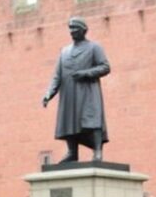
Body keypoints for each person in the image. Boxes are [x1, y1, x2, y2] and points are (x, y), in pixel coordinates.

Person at [42, 17, 110, 163]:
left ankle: (98, 151)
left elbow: (105, 67)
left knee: (92, 120)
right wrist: (49, 93)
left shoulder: (94, 47)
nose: (72, 31)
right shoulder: (64, 52)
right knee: (69, 121)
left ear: (84, 30)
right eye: (70, 28)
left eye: (75, 28)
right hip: (69, 93)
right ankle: (72, 152)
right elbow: (57, 76)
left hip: (88, 91)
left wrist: (86, 73)